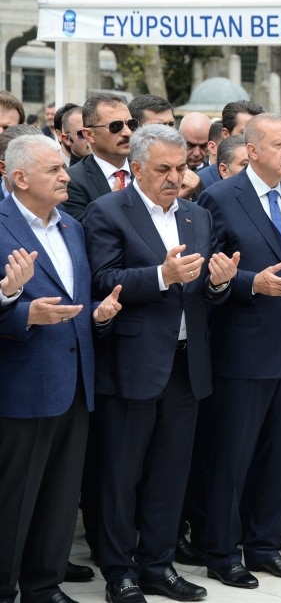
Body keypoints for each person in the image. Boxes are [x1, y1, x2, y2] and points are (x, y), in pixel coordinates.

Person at [83, 125, 239, 603]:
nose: (176, 177)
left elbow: (205, 290)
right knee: (121, 477)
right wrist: (160, 275)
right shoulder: (107, 211)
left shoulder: (196, 215)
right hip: (133, 362)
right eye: (164, 169)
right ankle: (119, 572)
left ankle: (157, 564)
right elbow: (102, 279)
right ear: (135, 169)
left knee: (170, 474)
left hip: (187, 365)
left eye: (182, 168)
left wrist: (219, 283)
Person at [0, 134, 122, 603]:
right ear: (19, 177)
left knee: (59, 496)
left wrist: (97, 315)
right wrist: (18, 306)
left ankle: (43, 586)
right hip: (22, 387)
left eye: (63, 168)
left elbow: (77, 301)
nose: (66, 176)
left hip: (75, 385)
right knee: (14, 499)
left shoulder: (72, 227)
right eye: (54, 170)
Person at [197, 113, 281, 588]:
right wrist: (251, 284)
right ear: (253, 151)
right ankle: (222, 551)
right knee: (232, 457)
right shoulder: (220, 198)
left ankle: (265, 545)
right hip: (243, 351)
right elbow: (208, 270)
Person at [63, 94, 137, 222]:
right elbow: (83, 233)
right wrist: (111, 206)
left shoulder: (147, 172)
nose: (127, 133)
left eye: (131, 124)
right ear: (89, 135)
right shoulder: (72, 181)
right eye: (115, 126)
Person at [195, 101, 264, 189]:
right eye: (244, 134)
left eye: (258, 134)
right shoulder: (201, 181)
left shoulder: (272, 177)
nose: (252, 141)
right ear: (226, 134)